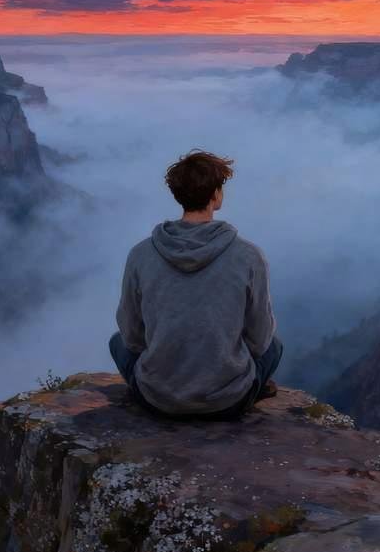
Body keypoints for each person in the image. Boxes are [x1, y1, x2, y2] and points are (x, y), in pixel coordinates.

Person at [110, 149, 283, 418]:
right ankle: (249, 387)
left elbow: (131, 336)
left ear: (178, 194)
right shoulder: (249, 256)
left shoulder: (141, 254)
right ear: (216, 194)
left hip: (157, 399)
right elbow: (260, 341)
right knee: (275, 346)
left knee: (116, 342)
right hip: (228, 402)